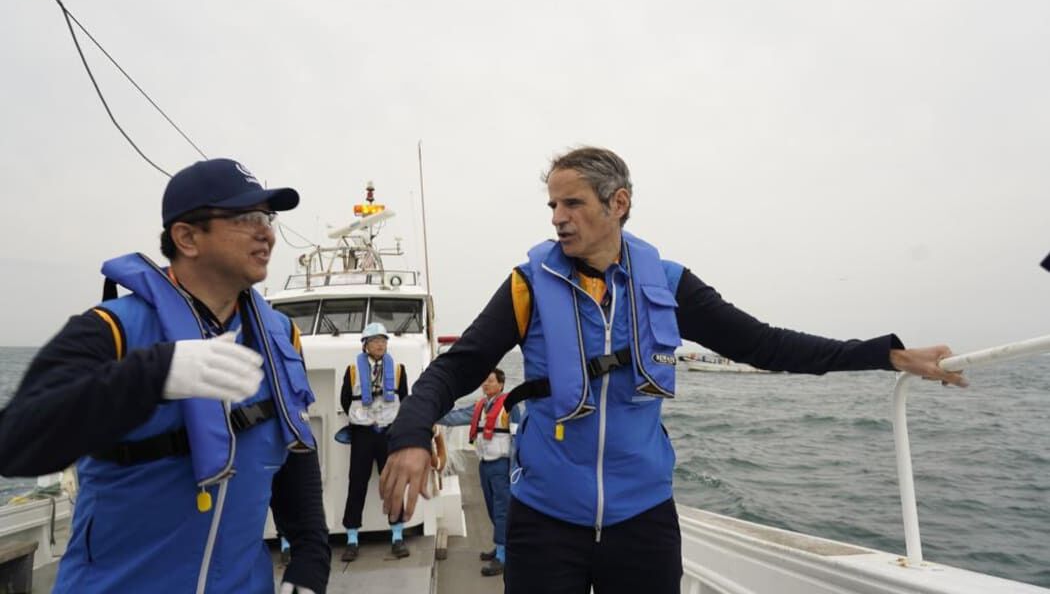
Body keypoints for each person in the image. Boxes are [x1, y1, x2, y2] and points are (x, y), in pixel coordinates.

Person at [378, 147, 967, 594]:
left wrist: (885, 354)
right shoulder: (529, 284)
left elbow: (767, 346)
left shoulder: (670, 285)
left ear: (619, 203)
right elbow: (459, 366)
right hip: (545, 516)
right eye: (552, 205)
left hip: (642, 518)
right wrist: (409, 434)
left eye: (573, 203)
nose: (558, 217)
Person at [0, 158, 330, 594]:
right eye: (247, 218)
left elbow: (291, 442)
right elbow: (16, 443)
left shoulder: (280, 335)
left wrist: (310, 559)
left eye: (267, 218)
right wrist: (154, 374)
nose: (267, 232)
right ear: (187, 237)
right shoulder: (110, 330)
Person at [437, 368, 521, 577]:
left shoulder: (511, 406)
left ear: (501, 385)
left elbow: (518, 439)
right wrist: (431, 413)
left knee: (502, 510)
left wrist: (515, 469)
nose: (485, 385)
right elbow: (454, 417)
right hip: (484, 465)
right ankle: (501, 545)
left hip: (502, 466)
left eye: (490, 381)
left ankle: (503, 556)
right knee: (492, 508)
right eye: (484, 381)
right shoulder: (480, 407)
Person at [339, 321, 410, 561]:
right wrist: (364, 419)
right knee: (356, 482)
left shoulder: (398, 370)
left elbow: (405, 398)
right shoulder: (352, 370)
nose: (381, 344)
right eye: (376, 341)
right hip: (362, 433)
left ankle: (397, 536)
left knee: (393, 483)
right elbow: (345, 399)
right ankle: (351, 538)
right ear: (365, 346)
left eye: (383, 340)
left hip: (388, 432)